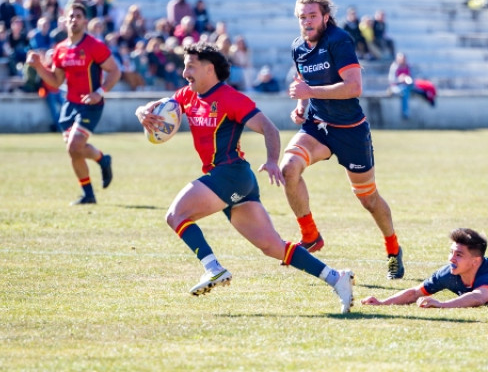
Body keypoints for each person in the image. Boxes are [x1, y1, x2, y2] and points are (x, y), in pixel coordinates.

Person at [134, 42, 355, 313]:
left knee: (175, 215)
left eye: (190, 66)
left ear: (209, 69)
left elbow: (269, 129)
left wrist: (273, 161)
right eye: (184, 66)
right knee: (272, 246)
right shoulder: (187, 95)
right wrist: (142, 112)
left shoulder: (230, 98)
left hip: (231, 175)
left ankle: (212, 268)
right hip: (235, 182)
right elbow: (155, 107)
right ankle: (336, 278)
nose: (184, 72)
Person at [281, 0, 405, 279]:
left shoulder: (339, 40)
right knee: (289, 168)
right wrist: (301, 106)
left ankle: (393, 249)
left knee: (368, 199)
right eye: (302, 17)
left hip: (350, 130)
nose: (307, 22)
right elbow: (303, 78)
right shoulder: (298, 46)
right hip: (317, 126)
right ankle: (310, 235)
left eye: (312, 16)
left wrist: (308, 92)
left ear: (325, 17)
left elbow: (353, 87)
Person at [26, 3, 120, 205]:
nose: (74, 20)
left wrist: (99, 92)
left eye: (78, 16)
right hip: (70, 105)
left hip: (91, 104)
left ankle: (97, 172)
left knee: (74, 145)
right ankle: (91, 187)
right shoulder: (60, 49)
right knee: (74, 149)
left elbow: (115, 71)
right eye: (71, 16)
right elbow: (56, 81)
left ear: (85, 21)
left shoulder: (94, 45)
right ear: (64, 20)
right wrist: (38, 66)